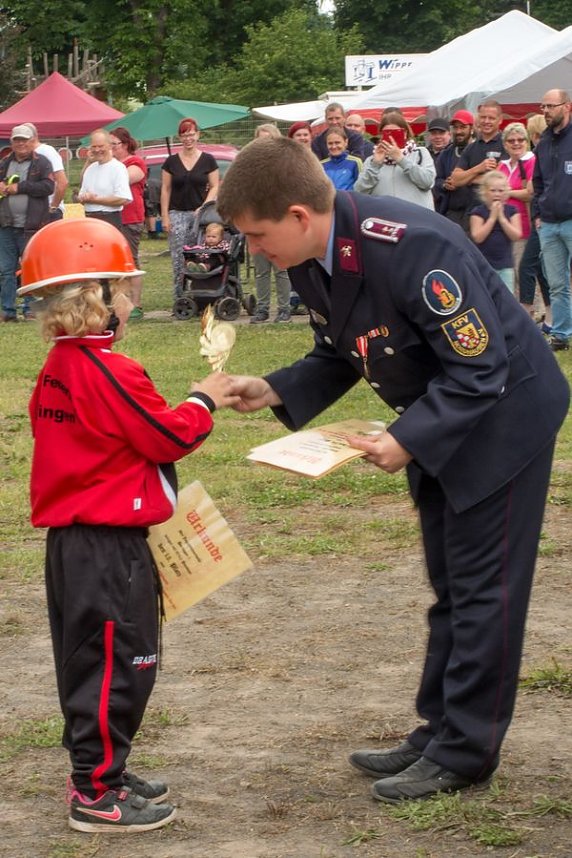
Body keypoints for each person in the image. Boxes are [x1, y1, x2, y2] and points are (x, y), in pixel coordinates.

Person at [217, 137, 569, 804]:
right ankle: (438, 731)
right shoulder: (312, 255)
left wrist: (406, 439)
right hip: (440, 420)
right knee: (450, 585)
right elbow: (345, 348)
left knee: (483, 591)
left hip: (502, 418)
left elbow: (482, 367)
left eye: (258, 237)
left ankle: (467, 751)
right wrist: (276, 389)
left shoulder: (410, 246)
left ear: (298, 214)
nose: (256, 252)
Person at [17, 217, 238, 833]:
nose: (130, 296)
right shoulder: (110, 370)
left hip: (76, 543)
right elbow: (166, 434)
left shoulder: (60, 364)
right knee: (120, 664)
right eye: (121, 285)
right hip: (108, 546)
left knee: (89, 660)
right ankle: (95, 792)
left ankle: (101, 769)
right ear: (95, 297)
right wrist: (203, 397)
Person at [0, 123, 54, 322]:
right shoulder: (4, 162)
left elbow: (48, 187)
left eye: (24, 140)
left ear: (32, 141)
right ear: (12, 142)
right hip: (5, 224)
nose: (21, 144)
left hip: (31, 225)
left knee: (31, 268)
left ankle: (30, 308)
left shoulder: (42, 163)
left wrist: (19, 187)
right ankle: (7, 310)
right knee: (6, 270)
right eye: (17, 140)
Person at [160, 118, 219, 299]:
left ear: (198, 135)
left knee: (198, 255)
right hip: (177, 213)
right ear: (180, 137)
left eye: (191, 134)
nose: (188, 138)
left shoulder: (208, 160)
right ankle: (180, 296)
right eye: (184, 135)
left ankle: (199, 292)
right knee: (179, 257)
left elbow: (215, 185)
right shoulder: (171, 162)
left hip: (199, 215)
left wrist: (204, 206)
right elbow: (166, 188)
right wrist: (165, 216)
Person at [532, 89, 572, 351]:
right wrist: (537, 213)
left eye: (551, 106)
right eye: (543, 106)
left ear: (566, 106)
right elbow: (537, 182)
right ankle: (561, 334)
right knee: (556, 283)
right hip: (548, 223)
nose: (545, 111)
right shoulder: (543, 143)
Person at [250, 124, 292, 324]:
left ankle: (284, 309)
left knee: (281, 270)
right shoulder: (249, 167)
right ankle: (262, 308)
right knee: (261, 270)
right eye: (260, 139)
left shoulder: (284, 165)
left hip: (278, 223)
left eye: (267, 139)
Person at [354, 111, 435, 210]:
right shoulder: (371, 160)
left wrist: (401, 160)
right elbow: (359, 191)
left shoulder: (420, 153)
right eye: (387, 133)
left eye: (396, 133)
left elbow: (427, 182)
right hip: (386, 219)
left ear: (405, 133)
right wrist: (375, 165)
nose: (391, 137)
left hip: (417, 218)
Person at [109, 127, 148, 319]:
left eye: (113, 144)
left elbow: (123, 178)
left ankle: (136, 303)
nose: (110, 148)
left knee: (130, 261)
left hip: (130, 218)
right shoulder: (108, 165)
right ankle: (117, 301)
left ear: (124, 145)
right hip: (110, 217)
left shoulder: (135, 162)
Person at [518, 115, 551, 328]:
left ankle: (526, 318)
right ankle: (551, 316)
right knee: (541, 269)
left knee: (527, 266)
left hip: (546, 218)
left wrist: (506, 192)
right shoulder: (541, 154)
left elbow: (531, 189)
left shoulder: (538, 155)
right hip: (542, 217)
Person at [498, 123, 534, 301]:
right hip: (504, 227)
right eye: (511, 140)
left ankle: (536, 309)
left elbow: (530, 193)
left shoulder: (531, 161)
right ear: (505, 144)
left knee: (525, 270)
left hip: (524, 226)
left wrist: (507, 192)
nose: (516, 143)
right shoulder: (502, 165)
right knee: (510, 272)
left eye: (520, 140)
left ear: (527, 142)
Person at [469, 171, 521, 293]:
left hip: (505, 266)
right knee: (486, 298)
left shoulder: (512, 210)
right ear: (484, 192)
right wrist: (492, 218)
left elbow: (516, 235)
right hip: (484, 265)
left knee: (506, 298)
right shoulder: (478, 212)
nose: (497, 194)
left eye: (501, 191)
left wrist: (502, 218)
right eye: (493, 190)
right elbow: (477, 237)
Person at [78, 129, 132, 228]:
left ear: (110, 146)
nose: (97, 150)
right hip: (90, 219)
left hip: (110, 220)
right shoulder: (90, 168)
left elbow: (123, 198)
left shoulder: (118, 168)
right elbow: (81, 197)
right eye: (94, 146)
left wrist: (95, 200)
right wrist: (84, 197)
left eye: (101, 146)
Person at [434, 109, 475, 226]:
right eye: (455, 128)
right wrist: (444, 184)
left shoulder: (478, 150)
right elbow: (436, 180)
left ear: (471, 129)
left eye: (463, 127)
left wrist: (466, 179)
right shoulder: (446, 154)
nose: (458, 131)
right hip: (452, 213)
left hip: (475, 213)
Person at [24, 122, 68, 221]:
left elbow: (63, 182)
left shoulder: (47, 151)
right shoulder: (25, 155)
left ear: (34, 137)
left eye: (24, 138)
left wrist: (53, 207)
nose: (21, 143)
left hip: (48, 211)